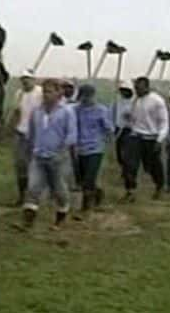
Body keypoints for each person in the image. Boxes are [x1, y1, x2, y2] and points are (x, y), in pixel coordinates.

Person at [17, 79, 77, 231]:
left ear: (59, 93)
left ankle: (61, 219)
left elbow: (71, 135)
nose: (46, 95)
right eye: (44, 91)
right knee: (33, 188)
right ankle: (27, 222)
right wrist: (30, 149)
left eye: (49, 91)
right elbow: (31, 133)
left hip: (58, 157)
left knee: (59, 190)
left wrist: (61, 150)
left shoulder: (67, 111)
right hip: (38, 156)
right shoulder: (37, 111)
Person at [121, 76, 168, 202]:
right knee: (129, 164)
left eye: (139, 88)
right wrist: (128, 116)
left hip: (151, 138)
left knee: (153, 166)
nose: (137, 90)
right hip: (135, 136)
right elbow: (131, 117)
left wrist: (160, 139)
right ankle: (130, 191)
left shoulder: (157, 101)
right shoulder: (135, 100)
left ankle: (159, 186)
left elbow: (164, 122)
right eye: (136, 88)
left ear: (146, 87)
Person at [72, 84, 112, 217]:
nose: (85, 100)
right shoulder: (76, 110)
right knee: (83, 179)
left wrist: (106, 140)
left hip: (96, 149)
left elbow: (108, 128)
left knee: (89, 178)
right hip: (80, 148)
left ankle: (86, 208)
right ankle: (98, 193)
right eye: (83, 97)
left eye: (88, 96)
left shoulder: (101, 110)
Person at [9, 70, 42, 206]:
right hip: (21, 132)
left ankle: (34, 196)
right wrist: (9, 126)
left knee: (35, 165)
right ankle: (22, 195)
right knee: (20, 165)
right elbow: (16, 111)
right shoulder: (19, 94)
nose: (25, 82)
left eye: (27, 79)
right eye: (23, 79)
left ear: (33, 79)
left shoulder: (40, 92)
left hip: (37, 133)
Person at [111, 81, 134, 182]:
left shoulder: (135, 102)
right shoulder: (117, 101)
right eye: (122, 90)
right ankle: (124, 170)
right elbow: (111, 113)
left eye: (126, 91)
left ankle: (127, 173)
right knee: (119, 155)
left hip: (129, 130)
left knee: (127, 154)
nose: (124, 93)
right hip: (118, 128)